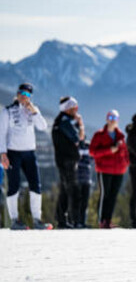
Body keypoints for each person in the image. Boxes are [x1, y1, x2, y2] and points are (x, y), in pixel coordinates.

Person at [0, 83, 51, 230]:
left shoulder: (33, 111)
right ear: (17, 94)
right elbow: (1, 133)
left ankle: (37, 219)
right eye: (22, 93)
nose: (24, 96)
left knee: (35, 185)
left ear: (31, 97)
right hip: (12, 153)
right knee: (14, 186)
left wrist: (34, 112)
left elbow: (42, 126)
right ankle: (15, 220)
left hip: (29, 153)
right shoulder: (8, 111)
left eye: (28, 94)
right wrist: (2, 154)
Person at [90, 110, 129, 228]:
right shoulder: (99, 135)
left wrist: (126, 163)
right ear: (107, 119)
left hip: (119, 170)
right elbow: (92, 152)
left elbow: (125, 153)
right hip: (104, 170)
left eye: (115, 118)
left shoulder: (121, 136)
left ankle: (108, 220)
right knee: (104, 195)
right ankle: (102, 220)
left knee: (113, 196)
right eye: (110, 117)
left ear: (118, 121)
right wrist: (109, 150)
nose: (112, 120)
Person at [52, 96, 85, 228]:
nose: (77, 110)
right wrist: (81, 124)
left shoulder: (63, 120)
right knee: (73, 190)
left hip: (65, 159)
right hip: (67, 160)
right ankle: (76, 221)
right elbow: (79, 138)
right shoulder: (65, 121)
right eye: (74, 107)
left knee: (65, 190)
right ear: (68, 108)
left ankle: (62, 220)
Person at [76, 140, 93, 228]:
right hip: (76, 178)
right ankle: (75, 222)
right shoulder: (74, 145)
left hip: (87, 179)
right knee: (76, 202)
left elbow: (92, 158)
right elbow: (76, 160)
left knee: (85, 202)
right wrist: (85, 159)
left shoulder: (88, 145)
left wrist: (83, 159)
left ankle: (82, 222)